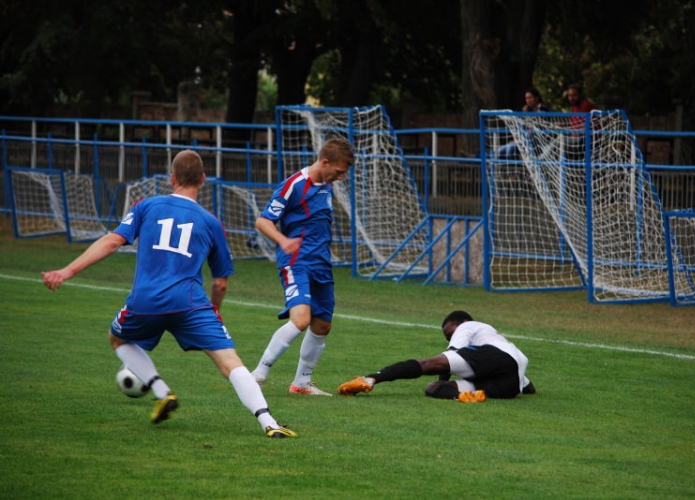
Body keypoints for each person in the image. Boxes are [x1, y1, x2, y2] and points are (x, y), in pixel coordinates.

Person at [41, 150, 296, 438]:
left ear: (172, 178)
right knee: (230, 363)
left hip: (145, 300)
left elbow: (112, 242)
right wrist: (214, 312)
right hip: (191, 304)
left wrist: (67, 272)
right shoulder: (211, 222)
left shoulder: (145, 206)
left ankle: (163, 392)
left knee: (117, 338)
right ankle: (269, 423)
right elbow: (220, 282)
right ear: (203, 180)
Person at [252, 138, 355, 396]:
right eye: (339, 171)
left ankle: (301, 383)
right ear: (325, 162)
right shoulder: (294, 185)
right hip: (297, 262)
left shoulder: (327, 187)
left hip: (322, 264)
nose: (341, 177)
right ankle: (258, 374)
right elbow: (263, 221)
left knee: (322, 326)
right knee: (300, 320)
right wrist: (283, 240)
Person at [337, 310, 536, 402]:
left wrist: (443, 376)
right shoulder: (502, 343)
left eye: (451, 333)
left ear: (463, 322)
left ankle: (371, 378)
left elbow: (444, 362)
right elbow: (529, 388)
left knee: (429, 364)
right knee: (432, 388)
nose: (450, 338)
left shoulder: (468, 326)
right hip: (510, 386)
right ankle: (461, 397)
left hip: (496, 360)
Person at [496, 87, 550, 159]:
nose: (528, 100)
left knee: (510, 150)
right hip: (525, 138)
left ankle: (522, 164)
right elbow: (522, 127)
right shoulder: (527, 110)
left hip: (538, 140)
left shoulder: (543, 109)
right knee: (499, 152)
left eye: (530, 97)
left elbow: (540, 125)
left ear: (537, 98)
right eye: (526, 98)